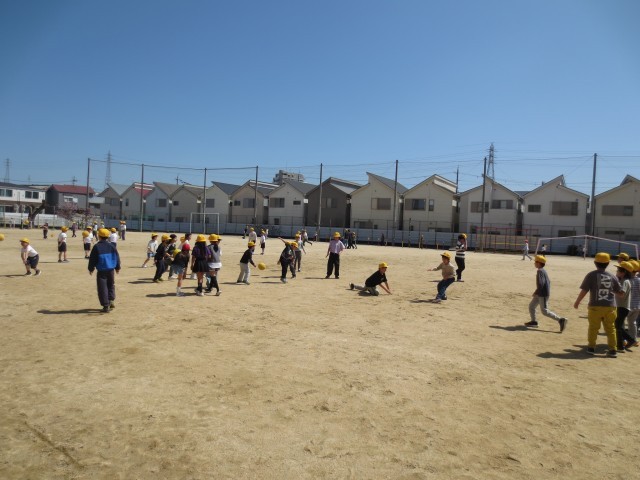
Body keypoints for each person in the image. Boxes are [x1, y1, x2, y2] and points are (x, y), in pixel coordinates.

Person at [573, 252, 621, 357]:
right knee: (611, 328)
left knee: (593, 328)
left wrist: (577, 302)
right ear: (608, 263)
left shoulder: (591, 275)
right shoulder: (612, 276)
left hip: (595, 306)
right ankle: (613, 349)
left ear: (595, 263)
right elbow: (619, 292)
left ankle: (591, 347)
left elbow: (584, 290)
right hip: (610, 306)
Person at [524, 255, 567, 332]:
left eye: (535, 262)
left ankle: (561, 320)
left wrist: (536, 292)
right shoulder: (542, 270)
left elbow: (541, 284)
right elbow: (547, 282)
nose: (534, 263)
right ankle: (534, 322)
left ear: (539, 263)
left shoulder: (540, 271)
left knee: (544, 311)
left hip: (542, 294)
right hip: (540, 292)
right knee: (531, 306)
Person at [88, 228, 121, 313]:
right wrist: (117, 267)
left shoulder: (97, 247)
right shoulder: (112, 246)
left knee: (102, 287)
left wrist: (91, 268)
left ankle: (106, 305)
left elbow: (93, 259)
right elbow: (117, 257)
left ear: (99, 236)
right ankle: (111, 300)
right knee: (111, 285)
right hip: (111, 270)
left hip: (102, 271)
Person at [614, 261, 636, 352]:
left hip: (623, 307)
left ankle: (625, 343)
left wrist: (612, 290)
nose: (617, 271)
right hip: (622, 307)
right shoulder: (623, 280)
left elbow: (621, 294)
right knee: (618, 326)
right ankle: (629, 341)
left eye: (618, 270)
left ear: (624, 272)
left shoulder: (625, 281)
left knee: (617, 327)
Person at [627, 260, 640, 343]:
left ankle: (624, 339)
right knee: (633, 322)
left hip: (628, 306)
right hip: (637, 305)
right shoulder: (639, 280)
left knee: (621, 322)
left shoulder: (628, 281)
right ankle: (634, 338)